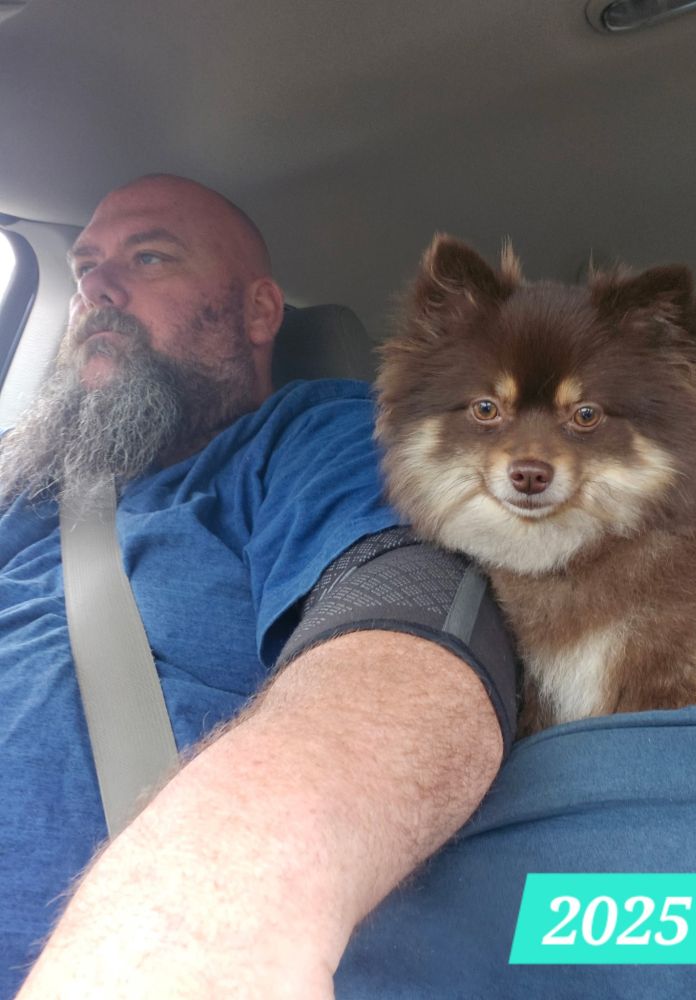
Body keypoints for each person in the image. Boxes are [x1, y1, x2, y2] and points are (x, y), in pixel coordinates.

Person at [0, 174, 517, 999]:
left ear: (259, 313)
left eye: (149, 256)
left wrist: (213, 918)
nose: (96, 285)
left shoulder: (314, 432)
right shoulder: (26, 484)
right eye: (87, 264)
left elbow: (411, 624)